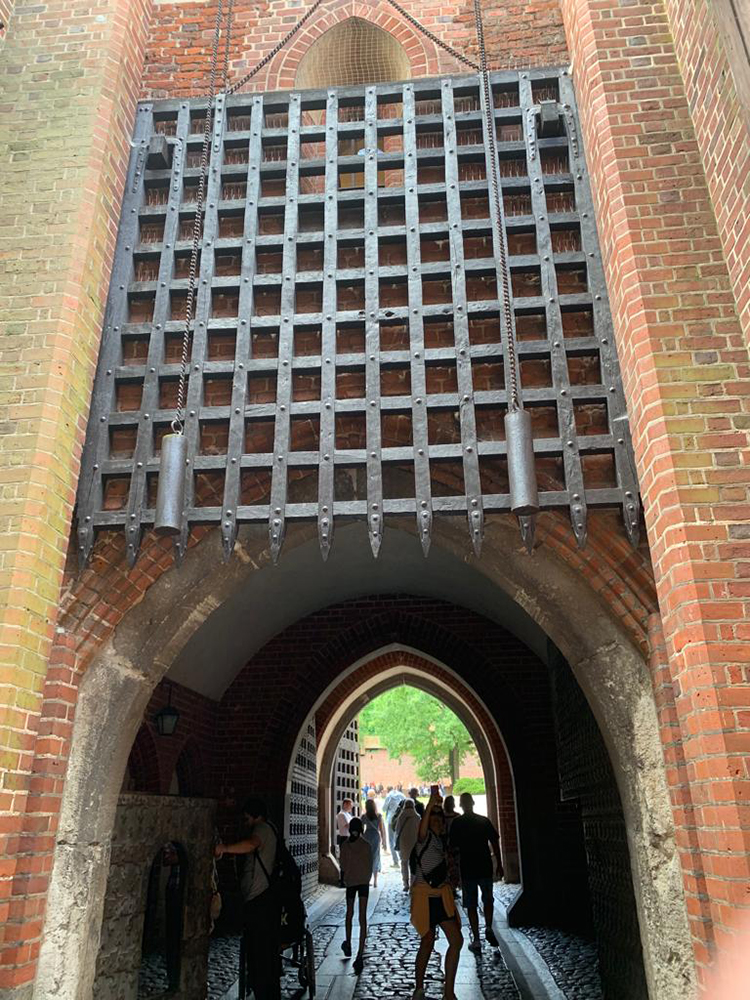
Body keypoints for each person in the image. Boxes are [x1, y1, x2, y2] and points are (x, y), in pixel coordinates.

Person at [215, 797, 281, 1000]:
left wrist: (225, 848)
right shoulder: (270, 828)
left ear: (255, 816)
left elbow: (252, 844)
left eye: (246, 818)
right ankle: (266, 989)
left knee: (259, 950)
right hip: (261, 899)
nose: (245, 822)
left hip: (259, 900)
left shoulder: (261, 829)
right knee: (263, 950)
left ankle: (263, 990)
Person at [409, 792, 463, 1000]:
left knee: (453, 940)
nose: (439, 819)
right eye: (434, 816)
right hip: (427, 898)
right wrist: (431, 802)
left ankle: (447, 992)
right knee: (429, 941)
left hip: (440, 896)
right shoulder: (424, 838)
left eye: (440, 816)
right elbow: (422, 829)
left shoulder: (440, 841)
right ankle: (421, 988)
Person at [449, 792, 503, 953]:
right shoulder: (483, 821)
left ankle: (477, 939)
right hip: (485, 866)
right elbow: (495, 842)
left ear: (461, 805)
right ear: (473, 803)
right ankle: (488, 927)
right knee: (488, 899)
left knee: (471, 904)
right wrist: (499, 864)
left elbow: (452, 847)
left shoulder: (457, 823)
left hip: (468, 868)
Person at [339, 817, 372, 976]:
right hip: (363, 882)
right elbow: (370, 864)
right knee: (362, 916)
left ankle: (348, 942)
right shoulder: (366, 845)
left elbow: (343, 865)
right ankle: (360, 952)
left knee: (349, 913)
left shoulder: (345, 846)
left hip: (351, 882)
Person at [395, 798, 420, 891]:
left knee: (404, 862)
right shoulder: (417, 817)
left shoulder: (401, 816)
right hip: (415, 843)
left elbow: (397, 830)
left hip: (404, 842)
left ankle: (405, 883)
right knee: (414, 864)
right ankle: (413, 883)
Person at [362, 798, 386, 888]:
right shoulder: (378, 816)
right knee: (375, 857)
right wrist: (383, 841)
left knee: (367, 857)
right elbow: (381, 829)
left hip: (367, 836)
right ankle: (375, 880)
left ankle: (367, 879)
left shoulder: (364, 816)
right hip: (376, 836)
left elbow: (361, 829)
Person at [382, 785, 405, 868]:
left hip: (391, 820)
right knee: (400, 840)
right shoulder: (402, 795)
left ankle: (396, 862)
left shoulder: (389, 796)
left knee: (391, 841)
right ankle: (403, 860)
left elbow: (384, 809)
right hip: (401, 819)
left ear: (388, 790)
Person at [442, 796, 461, 893]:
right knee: (455, 867)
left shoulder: (442, 817)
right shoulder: (457, 816)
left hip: (446, 845)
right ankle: (453, 886)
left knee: (449, 867)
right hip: (454, 845)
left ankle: (451, 887)